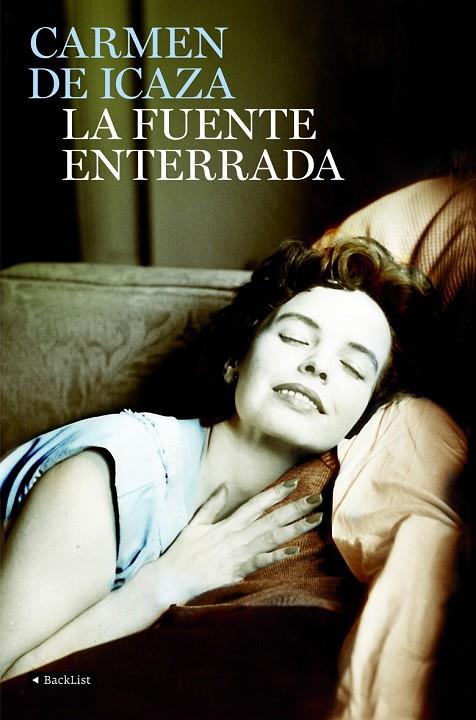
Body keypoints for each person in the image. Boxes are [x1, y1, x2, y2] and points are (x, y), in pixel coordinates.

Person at [0, 236, 434, 680]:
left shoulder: (329, 526)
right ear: (235, 358)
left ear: (366, 414)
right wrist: (161, 586)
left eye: (353, 367)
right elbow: (14, 684)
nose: (318, 365)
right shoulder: (112, 472)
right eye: (295, 337)